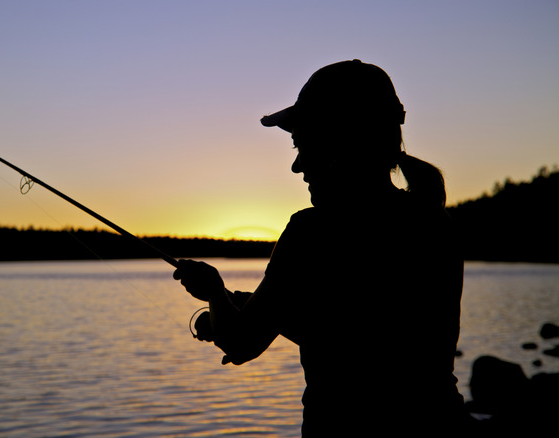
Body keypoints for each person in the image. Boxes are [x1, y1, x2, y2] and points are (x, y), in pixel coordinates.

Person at [173, 60, 473, 437]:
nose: (297, 166)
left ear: (338, 145)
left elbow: (241, 342)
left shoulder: (312, 231)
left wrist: (215, 293)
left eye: (303, 146)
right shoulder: (433, 223)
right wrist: (268, 310)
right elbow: (371, 341)